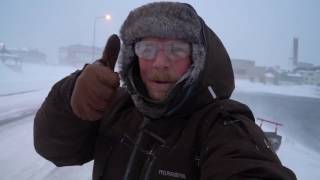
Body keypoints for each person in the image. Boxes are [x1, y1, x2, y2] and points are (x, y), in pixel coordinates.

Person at [34, 2, 296, 180]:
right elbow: (56, 150)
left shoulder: (221, 124)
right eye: (147, 49)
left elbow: (246, 165)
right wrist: (70, 96)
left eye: (176, 49)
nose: (160, 62)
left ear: (197, 58)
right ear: (133, 58)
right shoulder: (117, 107)